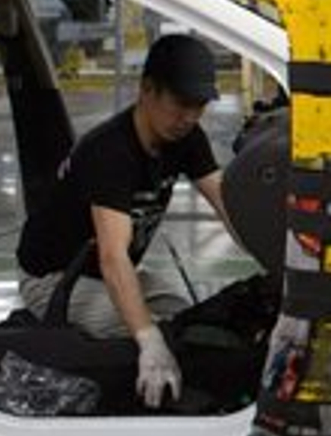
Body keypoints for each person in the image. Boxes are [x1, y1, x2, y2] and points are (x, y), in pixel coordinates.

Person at [16, 32, 238, 410]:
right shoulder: (110, 151)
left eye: (199, 106)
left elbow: (227, 204)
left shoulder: (185, 137)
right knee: (150, 336)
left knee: (187, 319)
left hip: (102, 275)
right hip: (54, 278)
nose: (189, 117)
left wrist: (278, 259)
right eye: (180, 103)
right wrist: (149, 341)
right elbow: (113, 256)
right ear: (147, 90)